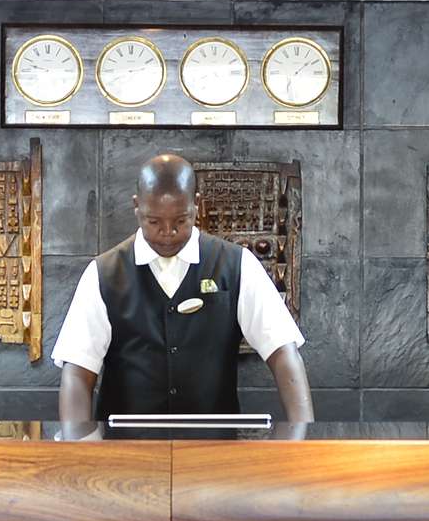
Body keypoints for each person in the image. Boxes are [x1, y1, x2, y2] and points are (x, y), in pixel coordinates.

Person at [53, 153, 314, 425]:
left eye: (180, 220)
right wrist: (78, 448)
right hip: (125, 449)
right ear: (136, 207)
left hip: (215, 447)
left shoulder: (236, 265)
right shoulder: (103, 273)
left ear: (197, 205)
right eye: (154, 221)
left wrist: (304, 438)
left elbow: (284, 353)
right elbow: (76, 372)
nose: (168, 232)